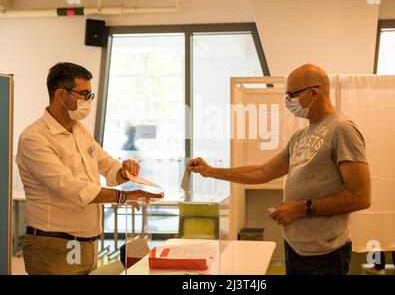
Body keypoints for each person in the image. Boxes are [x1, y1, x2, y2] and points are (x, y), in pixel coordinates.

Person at [188, 63, 371, 275]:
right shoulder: (300, 136)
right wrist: (211, 171)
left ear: (313, 93)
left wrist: (301, 208)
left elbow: (360, 196)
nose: (288, 101)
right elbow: (263, 171)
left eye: (291, 95)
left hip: (324, 254)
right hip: (295, 248)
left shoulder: (342, 129)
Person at [16, 62, 163, 275]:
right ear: (60, 94)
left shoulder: (79, 130)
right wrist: (122, 197)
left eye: (90, 95)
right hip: (53, 246)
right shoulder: (35, 137)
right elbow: (69, 186)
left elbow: (106, 164)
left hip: (86, 244)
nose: (88, 101)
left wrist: (124, 171)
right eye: (84, 94)